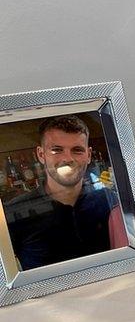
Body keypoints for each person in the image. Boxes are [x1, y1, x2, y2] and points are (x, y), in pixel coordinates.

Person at [4, 116, 120, 271]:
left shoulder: (108, 200)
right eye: (57, 150)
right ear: (41, 154)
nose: (67, 158)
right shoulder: (13, 212)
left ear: (89, 155)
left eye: (77, 150)